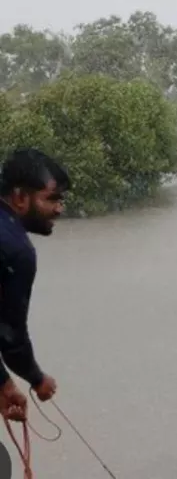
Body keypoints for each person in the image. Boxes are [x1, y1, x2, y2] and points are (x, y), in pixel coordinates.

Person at [0, 148, 71, 422]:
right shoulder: (16, 250)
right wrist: (37, 379)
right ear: (20, 197)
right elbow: (10, 336)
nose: (59, 208)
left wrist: (3, 384)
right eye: (51, 199)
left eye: (62, 199)